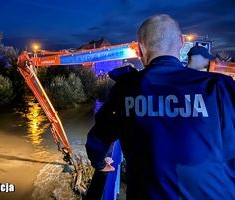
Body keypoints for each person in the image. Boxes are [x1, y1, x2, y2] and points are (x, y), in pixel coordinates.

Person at [86, 14, 235, 199]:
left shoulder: (124, 90)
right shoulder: (220, 86)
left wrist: (100, 163)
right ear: (181, 43)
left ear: (140, 49)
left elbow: (97, 141)